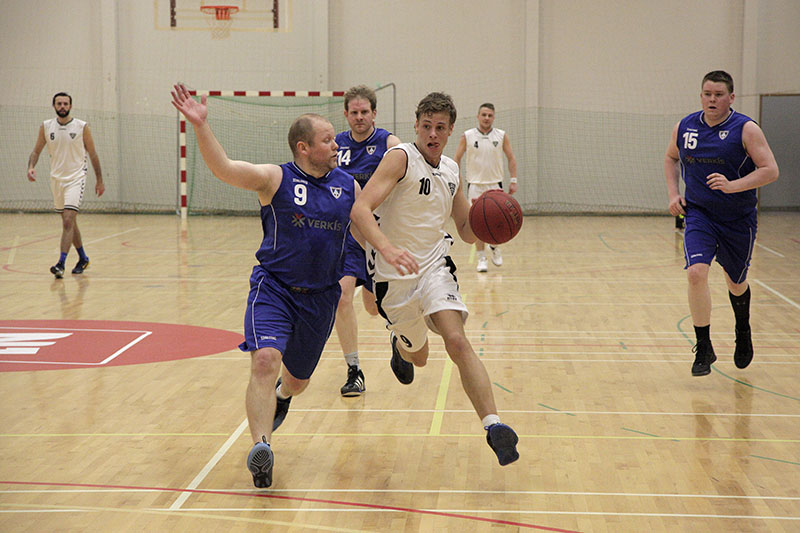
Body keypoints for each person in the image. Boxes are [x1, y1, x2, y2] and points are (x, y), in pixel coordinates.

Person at [171, 83, 357, 488]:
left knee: (298, 381)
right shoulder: (275, 178)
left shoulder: (346, 185)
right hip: (274, 288)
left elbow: (368, 225)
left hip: (321, 297)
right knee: (264, 360)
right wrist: (201, 126)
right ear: (304, 148)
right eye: (328, 140)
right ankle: (262, 448)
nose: (336, 145)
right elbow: (224, 169)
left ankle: (283, 396)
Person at [351, 92, 520, 466]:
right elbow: (360, 209)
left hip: (434, 268)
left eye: (440, 128)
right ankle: (400, 345)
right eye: (426, 126)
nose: (432, 134)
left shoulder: (451, 171)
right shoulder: (400, 159)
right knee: (421, 357)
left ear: (449, 131)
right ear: (416, 126)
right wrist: (386, 248)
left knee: (457, 340)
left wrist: (492, 227)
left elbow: (465, 230)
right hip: (393, 276)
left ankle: (494, 425)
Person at [664, 70, 779, 377]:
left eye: (718, 95)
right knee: (696, 273)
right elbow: (671, 158)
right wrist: (674, 193)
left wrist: (733, 185)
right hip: (699, 213)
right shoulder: (685, 127)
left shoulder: (746, 129)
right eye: (707, 94)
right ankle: (704, 346)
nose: (712, 100)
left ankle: (743, 330)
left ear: (731, 97)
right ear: (700, 96)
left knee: (735, 282)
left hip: (737, 218)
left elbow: (770, 170)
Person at [334, 85, 400, 397]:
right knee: (341, 296)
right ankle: (354, 370)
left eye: (364, 112)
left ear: (374, 113)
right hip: (348, 237)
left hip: (380, 235)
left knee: (374, 308)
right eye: (354, 112)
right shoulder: (336, 146)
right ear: (346, 114)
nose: (359, 117)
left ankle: (399, 336)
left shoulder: (389, 144)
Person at [27, 92, 105, 278]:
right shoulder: (46, 126)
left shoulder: (82, 126)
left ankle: (61, 264)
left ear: (71, 106)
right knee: (69, 221)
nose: (62, 106)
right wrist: (31, 167)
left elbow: (93, 154)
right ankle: (83, 258)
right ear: (54, 106)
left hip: (76, 178)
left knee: (68, 219)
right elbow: (36, 151)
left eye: (65, 103)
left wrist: (100, 180)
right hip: (56, 179)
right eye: (59, 103)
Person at [453, 103, 518, 272]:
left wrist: (513, 179)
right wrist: (456, 180)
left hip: (495, 185)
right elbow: (457, 158)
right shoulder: (467, 136)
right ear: (478, 116)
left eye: (490, 115)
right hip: (475, 185)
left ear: (494, 117)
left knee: (497, 220)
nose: (486, 118)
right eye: (484, 115)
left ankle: (495, 246)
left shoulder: (501, 135)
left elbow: (511, 157)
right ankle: (481, 258)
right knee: (477, 223)